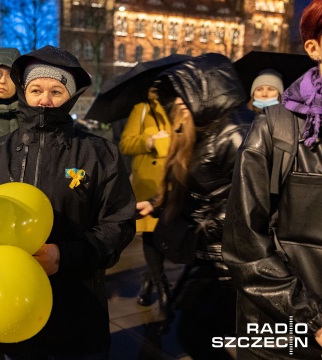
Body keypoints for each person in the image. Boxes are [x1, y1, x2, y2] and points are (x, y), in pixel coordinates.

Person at [0, 45, 136, 358]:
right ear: (23, 92)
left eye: (56, 91)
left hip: (77, 306)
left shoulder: (100, 155)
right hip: (9, 304)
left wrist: (65, 255)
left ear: (71, 97)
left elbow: (119, 222)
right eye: (36, 89)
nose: (44, 100)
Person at [136, 53, 253, 359]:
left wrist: (204, 227)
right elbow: (204, 190)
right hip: (212, 256)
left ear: (207, 91)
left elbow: (253, 202)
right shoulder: (209, 129)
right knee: (197, 335)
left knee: (199, 336)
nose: (178, 106)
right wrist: (157, 205)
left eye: (183, 97)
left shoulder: (236, 132)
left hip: (232, 263)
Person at [222, 2, 322, 358]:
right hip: (287, 334)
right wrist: (311, 320)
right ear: (314, 47)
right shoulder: (273, 129)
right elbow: (244, 243)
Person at [119, 87, 171, 311]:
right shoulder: (140, 109)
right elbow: (125, 143)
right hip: (148, 184)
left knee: (167, 234)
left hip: (172, 180)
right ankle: (162, 286)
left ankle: (149, 279)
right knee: (151, 234)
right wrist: (149, 141)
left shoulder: (179, 108)